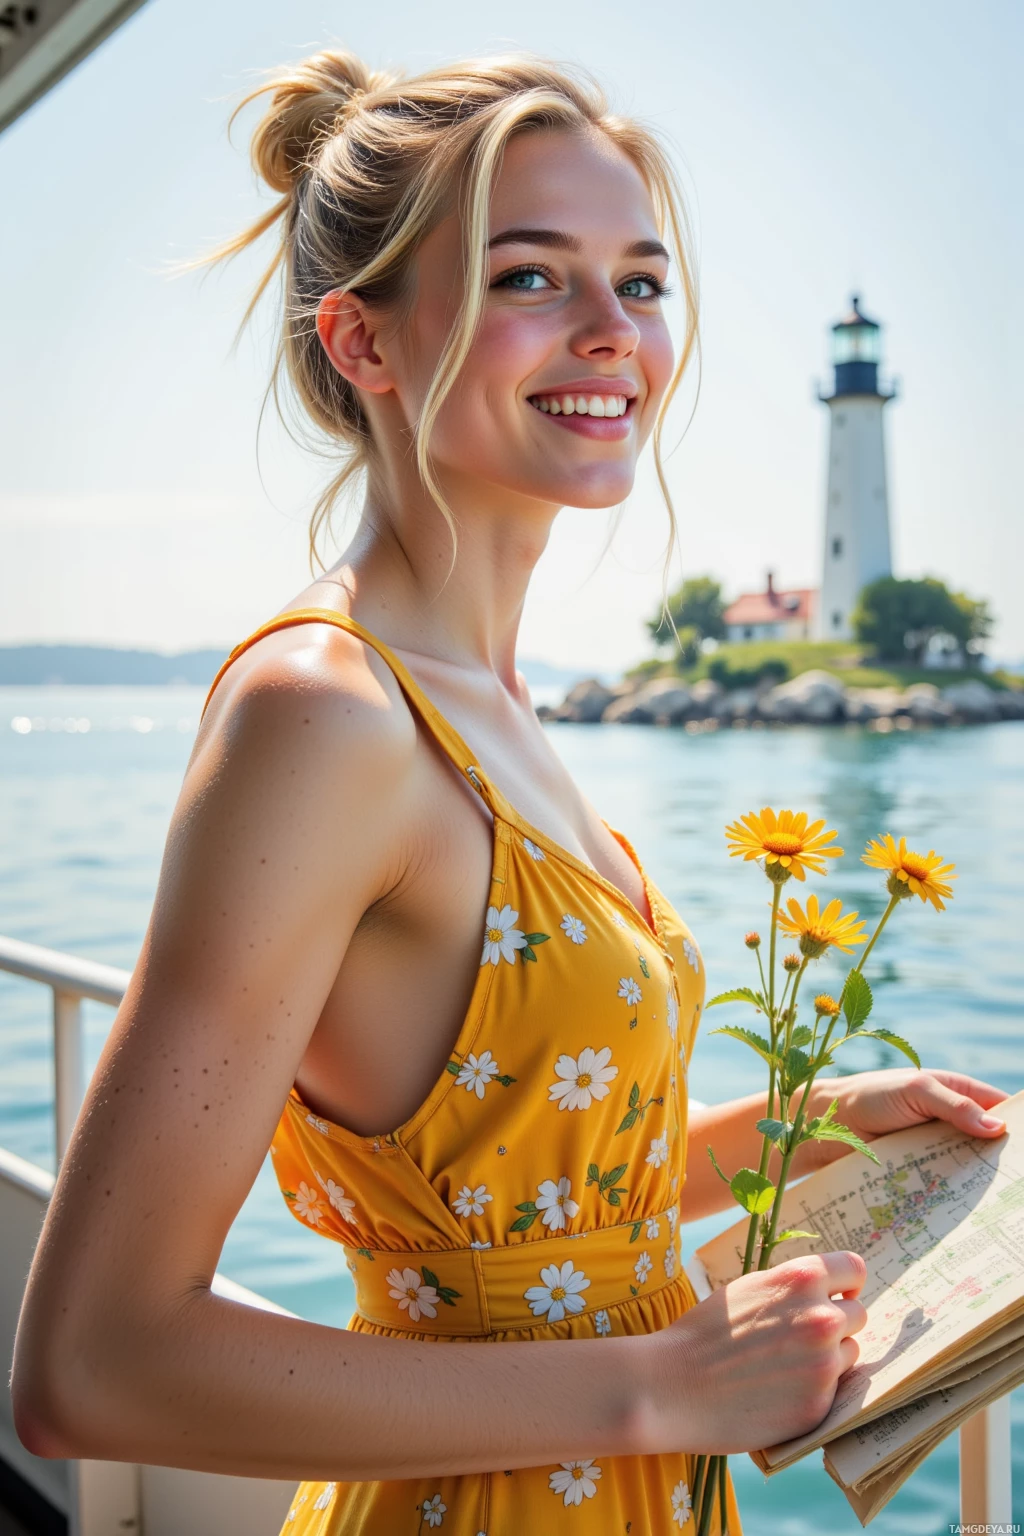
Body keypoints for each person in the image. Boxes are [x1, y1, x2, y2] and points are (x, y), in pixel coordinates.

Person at [12, 48, 1007, 1535]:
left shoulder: (496, 712)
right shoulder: (324, 717)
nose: (614, 333)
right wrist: (661, 1391)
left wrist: (825, 1123)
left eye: (644, 283)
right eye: (533, 279)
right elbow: (92, 1362)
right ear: (365, 342)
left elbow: (515, 1210)